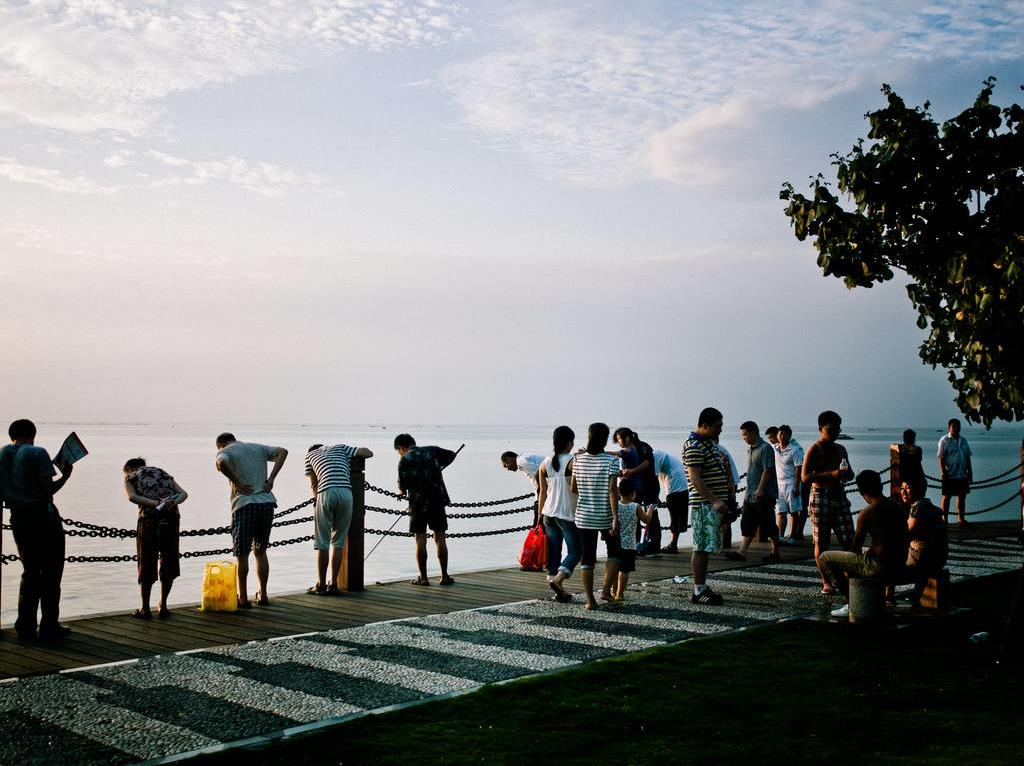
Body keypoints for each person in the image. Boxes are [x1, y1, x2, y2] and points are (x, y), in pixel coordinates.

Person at [0, 419, 72, 641]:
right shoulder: (37, 453)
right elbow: (48, 488)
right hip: (43, 517)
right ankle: (49, 625)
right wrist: (66, 476)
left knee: (30, 571)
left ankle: (25, 625)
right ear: (33, 434)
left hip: (18, 518)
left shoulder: (2, 454)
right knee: (51, 571)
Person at [821, 470, 910, 618]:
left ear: (862, 492)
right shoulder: (897, 507)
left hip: (879, 567)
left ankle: (854, 602)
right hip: (899, 564)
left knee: (825, 558)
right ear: (881, 486)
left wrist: (848, 568)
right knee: (864, 554)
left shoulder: (867, 512)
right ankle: (866, 599)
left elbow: (855, 547)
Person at [215, 433, 288, 608]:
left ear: (221, 444)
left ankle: (244, 598)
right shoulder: (258, 447)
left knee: (242, 555)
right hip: (266, 503)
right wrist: (271, 479)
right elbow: (283, 452)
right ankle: (263, 595)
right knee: (261, 551)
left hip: (244, 505)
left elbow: (221, 463)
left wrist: (237, 481)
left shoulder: (226, 451)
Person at [304, 441, 374, 595]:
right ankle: (333, 584)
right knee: (338, 542)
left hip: (326, 492)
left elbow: (314, 484)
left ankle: (321, 584)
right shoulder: (340, 448)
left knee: (322, 542)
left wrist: (316, 502)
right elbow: (367, 452)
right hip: (346, 492)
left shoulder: (310, 455)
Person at [123, 457, 188, 619]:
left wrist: (154, 503)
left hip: (149, 521)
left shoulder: (131, 476)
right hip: (171, 519)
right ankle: (163, 605)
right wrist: (171, 502)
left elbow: (132, 497)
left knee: (146, 562)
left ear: (130, 468)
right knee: (169, 561)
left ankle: (145, 608)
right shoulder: (163, 473)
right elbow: (183, 494)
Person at [801, 410, 855, 594]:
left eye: (838, 429)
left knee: (849, 538)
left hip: (839, 495)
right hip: (820, 496)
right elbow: (805, 477)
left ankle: (848, 575)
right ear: (820, 428)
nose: (835, 433)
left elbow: (850, 473)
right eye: (830, 429)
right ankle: (826, 581)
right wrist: (831, 474)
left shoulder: (841, 449)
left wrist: (846, 474)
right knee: (821, 542)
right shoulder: (815, 448)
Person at [395, 433, 458, 586]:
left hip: (418, 503)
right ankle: (444, 576)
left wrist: (402, 492)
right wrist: (438, 466)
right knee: (440, 538)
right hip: (437, 499)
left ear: (402, 448)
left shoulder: (405, 459)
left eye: (398, 451)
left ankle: (423, 578)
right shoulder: (431, 450)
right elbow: (451, 455)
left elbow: (402, 486)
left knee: (420, 540)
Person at [570, 422, 620, 610]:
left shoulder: (578, 459)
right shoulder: (611, 461)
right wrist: (615, 517)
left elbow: (573, 488)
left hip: (583, 516)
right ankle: (606, 590)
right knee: (615, 552)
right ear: (606, 439)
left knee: (587, 558)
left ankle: (590, 601)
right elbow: (612, 491)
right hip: (605, 515)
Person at [682, 408, 730, 605]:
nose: (720, 430)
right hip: (703, 505)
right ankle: (698, 590)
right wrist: (714, 500)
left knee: (706, 546)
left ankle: (701, 586)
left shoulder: (708, 443)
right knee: (701, 546)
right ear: (705, 425)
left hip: (710, 505)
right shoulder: (694, 445)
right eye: (717, 426)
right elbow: (695, 478)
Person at [537, 426, 580, 603]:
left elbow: (542, 492)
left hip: (548, 513)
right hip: (567, 514)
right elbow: (576, 488)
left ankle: (559, 592)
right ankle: (558, 580)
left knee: (554, 553)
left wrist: (539, 515)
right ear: (569, 442)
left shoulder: (545, 463)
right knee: (576, 551)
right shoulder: (573, 462)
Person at [726, 421, 780, 563]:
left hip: (764, 495)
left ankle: (775, 552)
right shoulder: (750, 449)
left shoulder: (765, 448)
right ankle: (742, 553)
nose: (744, 438)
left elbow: (768, 469)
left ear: (753, 432)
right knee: (747, 523)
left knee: (769, 524)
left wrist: (761, 488)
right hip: (750, 494)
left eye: (745, 435)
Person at [610, 479, 654, 603]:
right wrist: (650, 509)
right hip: (629, 544)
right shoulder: (636, 506)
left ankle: (613, 592)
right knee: (624, 570)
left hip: (615, 543)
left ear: (619, 492)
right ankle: (620, 593)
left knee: (615, 568)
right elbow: (646, 520)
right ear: (634, 493)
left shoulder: (615, 505)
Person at [905, 497, 948, 601]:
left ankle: (888, 597)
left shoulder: (918, 507)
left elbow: (907, 533)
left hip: (923, 557)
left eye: (907, 488)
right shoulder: (932, 508)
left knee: (889, 558)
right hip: (939, 558)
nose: (903, 492)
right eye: (902, 488)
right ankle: (917, 594)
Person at [937, 418, 973, 526]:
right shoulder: (944, 440)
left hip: (962, 473)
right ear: (949, 428)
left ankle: (961, 519)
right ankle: (944, 520)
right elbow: (941, 458)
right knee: (947, 496)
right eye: (954, 426)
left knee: (962, 496)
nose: (956, 428)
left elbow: (967, 457)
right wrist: (943, 472)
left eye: (958, 426)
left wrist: (970, 472)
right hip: (950, 474)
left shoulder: (963, 440)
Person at [653, 448, 689, 554]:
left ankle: (673, 545)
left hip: (675, 486)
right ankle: (674, 544)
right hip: (682, 485)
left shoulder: (654, 456)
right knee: (678, 516)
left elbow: (654, 479)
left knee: (675, 515)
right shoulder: (660, 454)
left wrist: (655, 496)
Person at [773, 425, 804, 544]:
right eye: (780, 434)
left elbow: (798, 469)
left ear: (789, 436)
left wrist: (796, 486)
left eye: (784, 434)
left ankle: (792, 536)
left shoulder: (794, 450)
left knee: (794, 511)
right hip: (778, 484)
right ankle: (780, 536)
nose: (781, 436)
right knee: (780, 511)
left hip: (791, 483)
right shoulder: (774, 448)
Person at [614, 428, 658, 505]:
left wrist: (632, 471)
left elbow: (648, 461)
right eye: (617, 440)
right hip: (633, 488)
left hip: (649, 485)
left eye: (619, 439)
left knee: (651, 512)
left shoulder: (643, 446)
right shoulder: (626, 450)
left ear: (627, 438)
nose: (618, 442)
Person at [501, 450, 545, 525]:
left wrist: (540, 497)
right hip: (545, 494)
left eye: (506, 465)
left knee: (539, 526)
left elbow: (541, 472)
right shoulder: (524, 458)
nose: (508, 469)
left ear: (509, 459)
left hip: (544, 496)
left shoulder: (522, 462)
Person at [714, 436, 740, 549]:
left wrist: (732, 492)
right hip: (729, 483)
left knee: (725, 516)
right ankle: (724, 544)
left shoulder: (717, 450)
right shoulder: (720, 449)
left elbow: (727, 471)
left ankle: (725, 545)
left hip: (727, 485)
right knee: (725, 516)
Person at [899, 429, 927, 501]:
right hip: (917, 476)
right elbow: (919, 459)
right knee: (922, 486)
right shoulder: (917, 449)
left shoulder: (900, 449)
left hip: (903, 476)